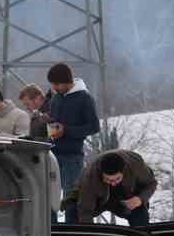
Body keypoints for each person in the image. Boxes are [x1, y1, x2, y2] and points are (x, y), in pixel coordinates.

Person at [44, 64, 100, 211]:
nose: (54, 87)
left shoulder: (85, 98)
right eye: (53, 84)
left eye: (57, 84)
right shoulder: (56, 98)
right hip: (53, 154)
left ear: (67, 81)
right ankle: (52, 230)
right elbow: (55, 120)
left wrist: (66, 131)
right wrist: (48, 121)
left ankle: (72, 230)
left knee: (71, 199)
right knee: (49, 198)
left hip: (72, 157)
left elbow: (94, 127)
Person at [76, 150, 156, 226]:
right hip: (98, 199)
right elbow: (85, 210)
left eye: (117, 179)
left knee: (140, 214)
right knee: (73, 211)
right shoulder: (90, 177)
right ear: (101, 174)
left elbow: (151, 183)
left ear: (123, 171)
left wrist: (140, 199)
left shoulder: (135, 164)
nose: (113, 184)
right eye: (108, 179)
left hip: (128, 196)